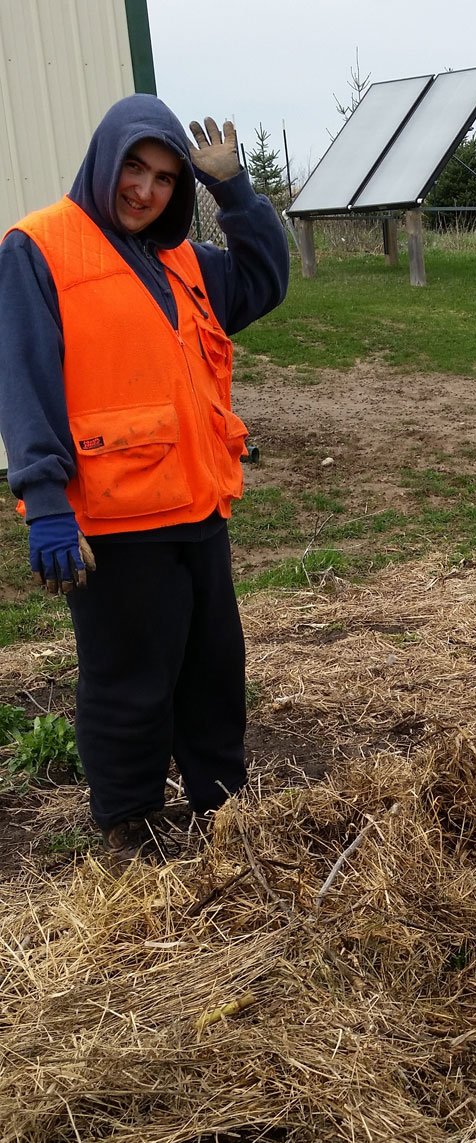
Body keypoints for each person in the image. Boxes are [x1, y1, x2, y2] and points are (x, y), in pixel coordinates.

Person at [0, 94, 289, 863]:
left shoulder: (182, 258)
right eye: (135, 167)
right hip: (114, 521)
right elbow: (24, 380)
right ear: (105, 160)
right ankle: (127, 823)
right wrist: (46, 503)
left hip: (198, 506)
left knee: (213, 673)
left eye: (165, 178)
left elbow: (264, 282)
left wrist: (238, 194)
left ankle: (222, 809)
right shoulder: (39, 247)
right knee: (129, 682)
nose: (146, 190)